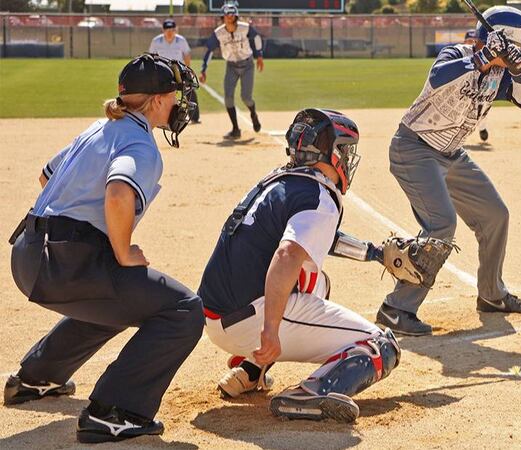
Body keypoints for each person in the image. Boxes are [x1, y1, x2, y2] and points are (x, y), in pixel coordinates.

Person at [4, 54, 203, 443]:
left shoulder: (99, 128)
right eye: (174, 95)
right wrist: (123, 250)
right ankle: (115, 411)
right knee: (183, 309)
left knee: (116, 299)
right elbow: (117, 193)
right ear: (158, 100)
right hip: (66, 266)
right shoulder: (140, 143)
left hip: (27, 254)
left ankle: (36, 378)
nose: (179, 104)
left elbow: (46, 176)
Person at [198, 108, 400, 423]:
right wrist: (270, 331)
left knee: (318, 282)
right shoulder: (319, 195)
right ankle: (310, 394)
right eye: (345, 150)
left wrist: (376, 254)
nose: (348, 158)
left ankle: (251, 369)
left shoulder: (282, 182)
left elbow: (313, 238)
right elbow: (287, 254)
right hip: (250, 321)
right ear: (332, 154)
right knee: (379, 345)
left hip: (216, 314)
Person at [375, 5, 521, 337]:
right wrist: (483, 57)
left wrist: (519, 72)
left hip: (451, 155)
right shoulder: (458, 54)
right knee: (441, 225)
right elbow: (438, 77)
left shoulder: (501, 74)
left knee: (495, 214)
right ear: (501, 40)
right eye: (518, 45)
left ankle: (492, 296)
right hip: (414, 149)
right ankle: (397, 309)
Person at [200, 3, 264, 140]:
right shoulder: (218, 32)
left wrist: (259, 55)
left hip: (247, 65)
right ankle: (235, 129)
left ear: (236, 16)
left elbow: (257, 37)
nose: (229, 18)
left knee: (246, 97)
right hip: (231, 66)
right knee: (228, 98)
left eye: (232, 15)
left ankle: (253, 114)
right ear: (222, 17)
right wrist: (203, 69)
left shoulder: (244, 27)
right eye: (226, 15)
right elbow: (209, 50)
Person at [149, 18, 200, 123]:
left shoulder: (181, 40)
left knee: (189, 90)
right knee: (157, 94)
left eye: (172, 29)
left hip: (179, 71)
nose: (169, 32)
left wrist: (188, 69)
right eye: (167, 29)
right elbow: (151, 56)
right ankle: (155, 116)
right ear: (163, 30)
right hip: (162, 72)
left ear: (175, 30)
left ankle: (194, 117)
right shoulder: (156, 41)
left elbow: (186, 55)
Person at [463, 29, 490, 143]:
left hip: (481, 85)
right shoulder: (461, 53)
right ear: (464, 42)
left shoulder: (483, 54)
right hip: (465, 85)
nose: (471, 42)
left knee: (481, 107)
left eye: (473, 40)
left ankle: (482, 127)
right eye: (469, 40)